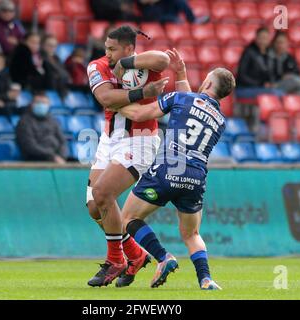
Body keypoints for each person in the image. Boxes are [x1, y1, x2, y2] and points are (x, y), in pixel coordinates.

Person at [118, 50, 235, 290]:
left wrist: (113, 103)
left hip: (168, 168)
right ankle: (206, 279)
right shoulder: (220, 120)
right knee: (191, 234)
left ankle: (163, 257)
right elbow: (193, 105)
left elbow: (141, 113)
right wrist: (181, 73)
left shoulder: (181, 99)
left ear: (208, 82)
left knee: (128, 217)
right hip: (195, 177)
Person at [86, 25, 170, 288]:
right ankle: (135, 255)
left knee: (102, 194)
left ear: (128, 48)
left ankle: (116, 260)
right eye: (106, 48)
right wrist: (144, 93)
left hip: (140, 139)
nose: (107, 53)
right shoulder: (97, 66)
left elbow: (164, 59)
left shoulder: (142, 64)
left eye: (112, 49)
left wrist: (127, 63)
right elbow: (106, 98)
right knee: (93, 207)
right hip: (109, 140)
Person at [15, 93, 68, 163]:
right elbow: (30, 146)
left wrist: (61, 156)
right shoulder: (24, 122)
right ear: (31, 104)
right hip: (36, 160)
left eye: (44, 103)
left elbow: (63, 141)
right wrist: (52, 156)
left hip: (57, 159)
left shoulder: (53, 121)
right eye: (38, 102)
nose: (41, 105)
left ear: (48, 105)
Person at [270, 31, 300, 96]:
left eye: (283, 43)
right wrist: (282, 76)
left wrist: (288, 75)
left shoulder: (289, 57)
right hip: (275, 85)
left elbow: (297, 71)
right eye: (278, 42)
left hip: (289, 84)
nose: (280, 45)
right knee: (294, 79)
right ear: (274, 43)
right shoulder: (269, 57)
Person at [138, 0, 209, 24]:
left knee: (180, 1)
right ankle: (174, 19)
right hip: (151, 11)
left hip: (164, 7)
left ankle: (192, 19)